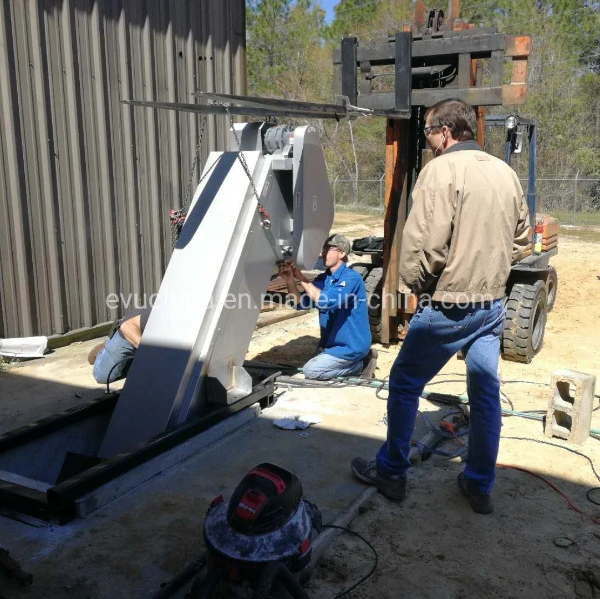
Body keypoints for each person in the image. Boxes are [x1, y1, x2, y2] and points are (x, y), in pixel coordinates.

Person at [351, 99, 530, 514]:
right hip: (492, 305)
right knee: (485, 395)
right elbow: (522, 240)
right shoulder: (505, 173)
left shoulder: (440, 171)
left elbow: (422, 246)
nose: (428, 141)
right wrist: (492, 270)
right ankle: (479, 484)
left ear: (445, 132)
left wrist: (417, 287)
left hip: (450, 304)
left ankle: (392, 472)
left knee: (404, 383)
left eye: (429, 133)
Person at [278, 234, 376, 380]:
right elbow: (300, 303)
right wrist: (290, 280)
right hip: (331, 344)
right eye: (323, 249)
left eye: (329, 249)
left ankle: (360, 365)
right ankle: (345, 360)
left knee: (311, 371)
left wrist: (300, 277)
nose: (323, 252)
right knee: (314, 365)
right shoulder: (324, 279)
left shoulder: (351, 279)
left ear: (342, 253)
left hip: (351, 345)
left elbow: (325, 301)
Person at [87, 307, 151, 384]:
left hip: (149, 339)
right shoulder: (159, 314)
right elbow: (127, 326)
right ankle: (104, 349)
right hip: (129, 330)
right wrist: (147, 353)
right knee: (104, 377)